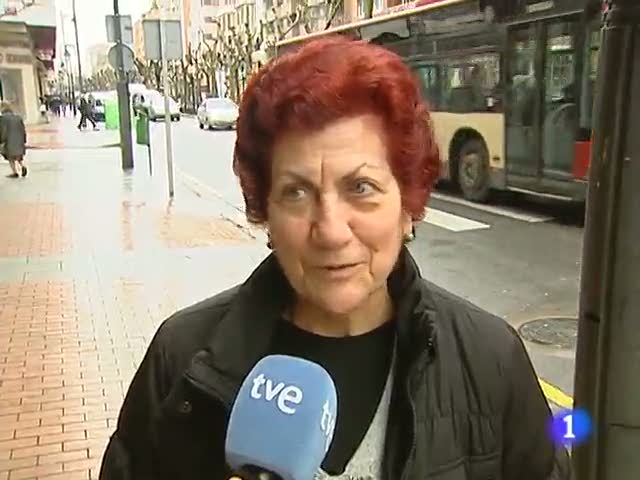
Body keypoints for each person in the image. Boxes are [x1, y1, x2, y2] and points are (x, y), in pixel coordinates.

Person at [99, 37, 571, 480]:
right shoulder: (181, 360)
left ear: (407, 206)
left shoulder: (492, 361)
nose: (330, 231)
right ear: (266, 213)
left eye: (361, 188)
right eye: (296, 192)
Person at [0, 102, 27, 178]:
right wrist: (24, 139)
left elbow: (3, 130)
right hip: (19, 140)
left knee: (10, 157)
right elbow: (23, 130)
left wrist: (2, 140)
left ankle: (15, 172)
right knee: (19, 156)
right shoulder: (18, 117)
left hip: (8, 140)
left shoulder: (3, 118)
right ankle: (22, 166)